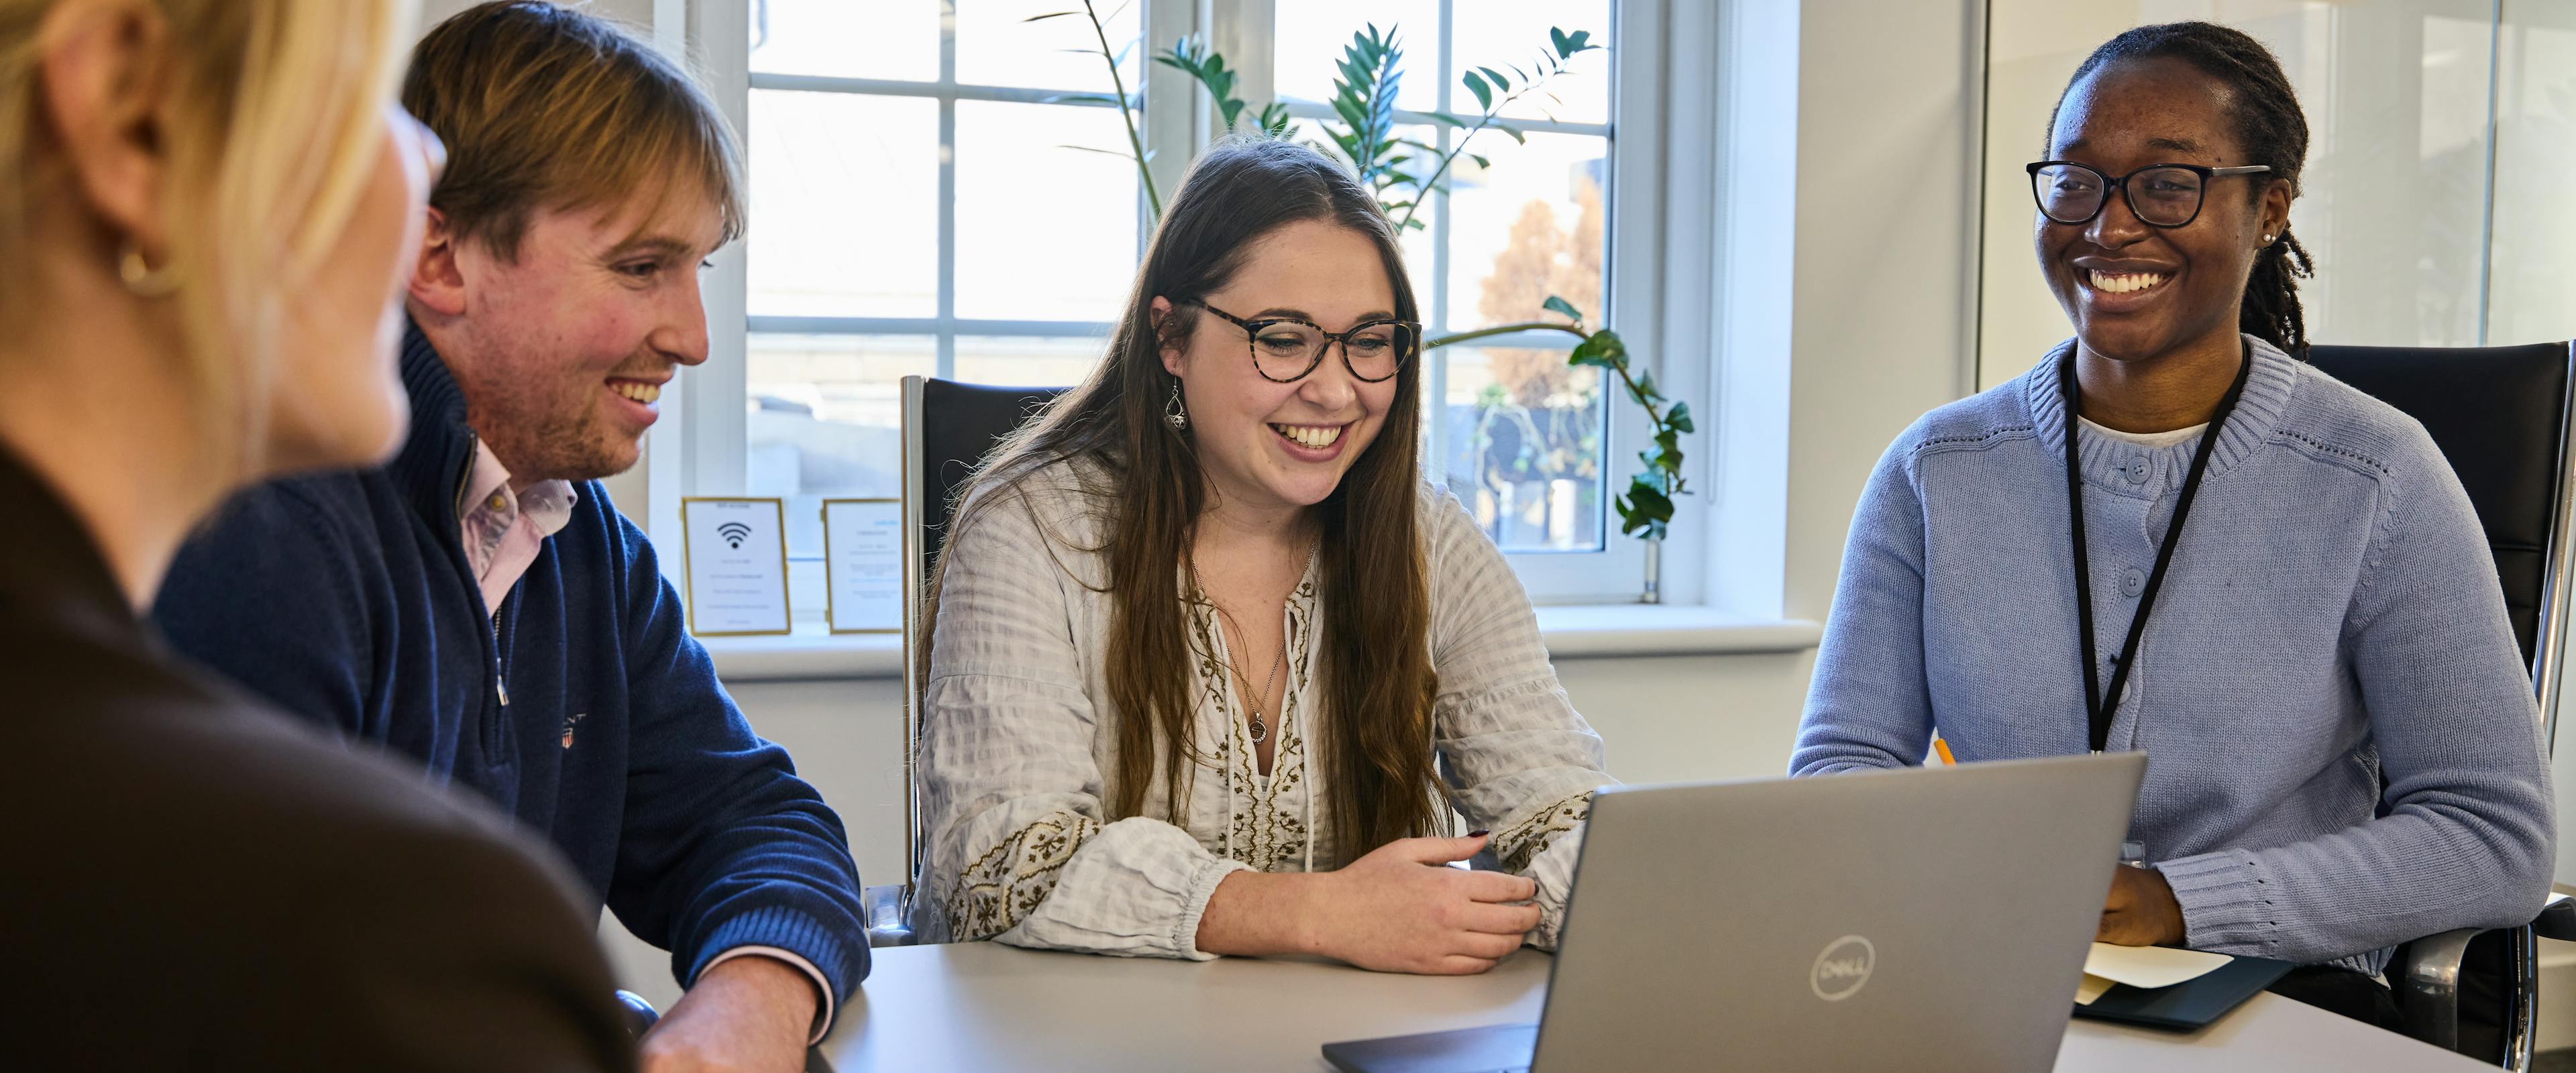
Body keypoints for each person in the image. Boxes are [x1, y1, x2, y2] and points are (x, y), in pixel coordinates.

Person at [1791, 21, 2553, 1031]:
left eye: (2167, 184)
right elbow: (1840, 775)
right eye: (2075, 180)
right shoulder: (1936, 471)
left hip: (2281, 989)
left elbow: (2493, 837)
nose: (2108, 225)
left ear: (2268, 207)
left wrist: (2181, 901)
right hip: (2000, 973)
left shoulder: (2375, 474)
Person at [150, 3, 865, 1066]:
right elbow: (274, 995)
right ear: (439, 255)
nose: (694, 338)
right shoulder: (272, 532)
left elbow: (760, 823)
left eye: (697, 270)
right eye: (639, 267)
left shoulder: (580, 540)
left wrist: (743, 1009)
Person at [0, 0, 636, 1066]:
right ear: (134, 119)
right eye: (361, 101)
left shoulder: (581, 534)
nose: (425, 163)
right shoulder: (383, 950)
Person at [912, 137, 1614, 975]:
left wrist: (1585, 880)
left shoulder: (1431, 542)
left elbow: (1561, 811)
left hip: (1348, 1038)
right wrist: (1321, 913)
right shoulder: (1031, 530)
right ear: (1170, 336)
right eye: (1282, 339)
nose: (1335, 389)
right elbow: (999, 865)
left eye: (1370, 339)